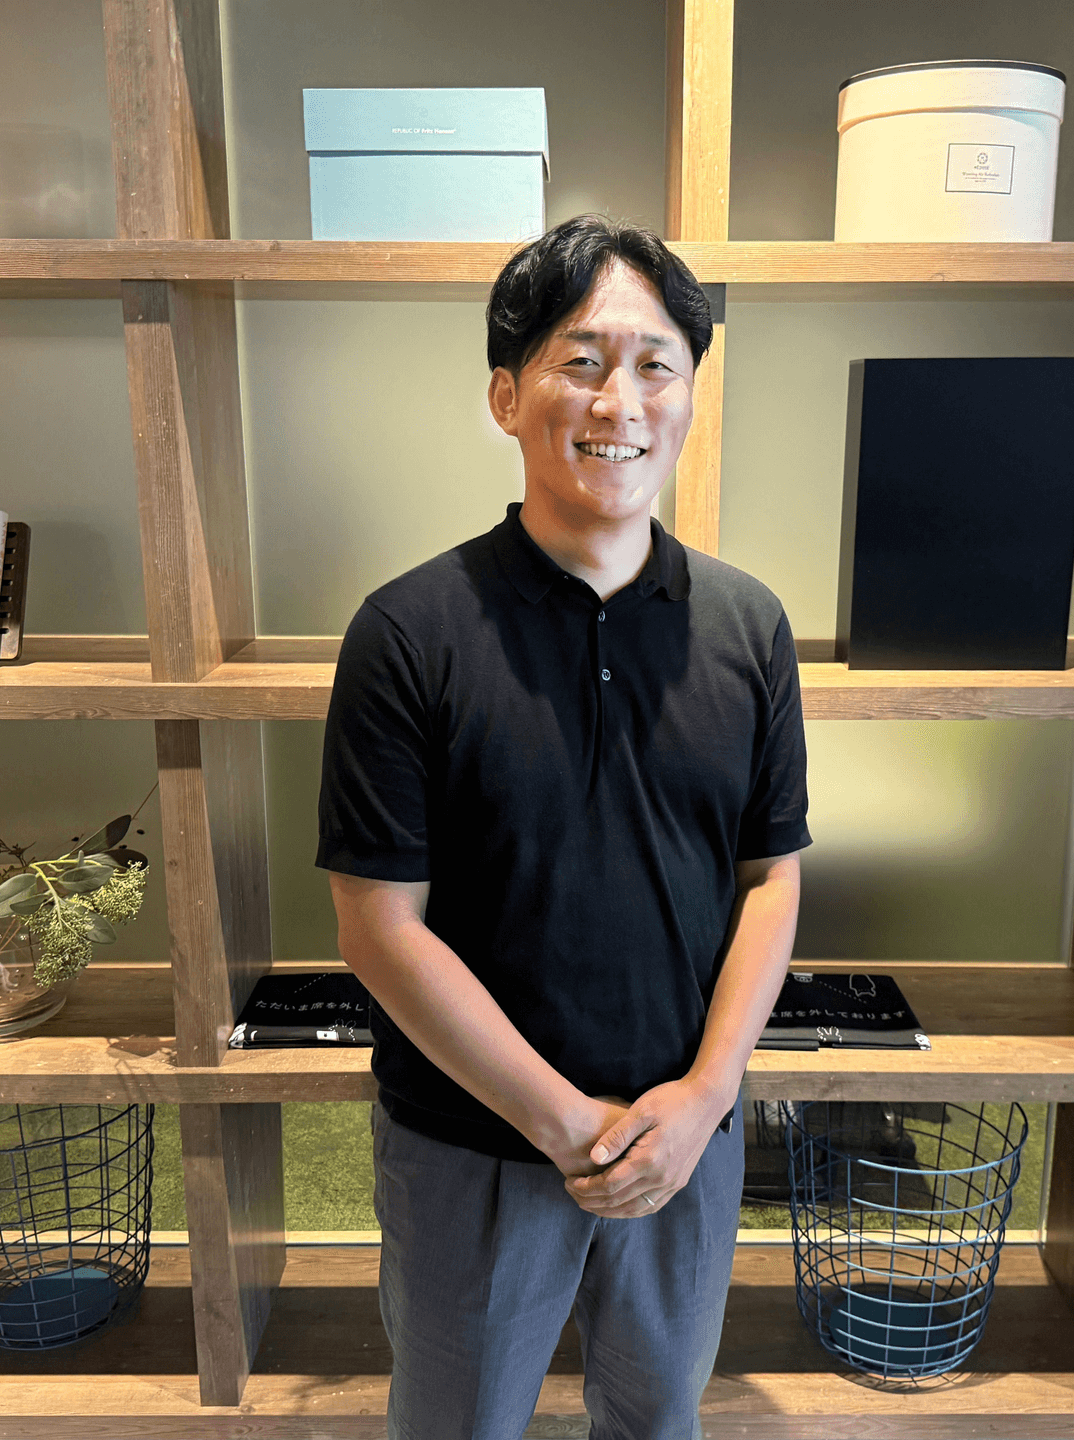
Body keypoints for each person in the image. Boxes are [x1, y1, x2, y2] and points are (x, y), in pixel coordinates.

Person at [317, 214, 810, 1440]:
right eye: (580, 361)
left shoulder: (748, 628)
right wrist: (565, 1125)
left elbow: (771, 880)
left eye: (657, 365)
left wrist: (703, 1098)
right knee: (458, 1422)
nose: (620, 401)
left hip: (685, 1138)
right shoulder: (408, 632)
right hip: (470, 1148)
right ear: (505, 394)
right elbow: (380, 929)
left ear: (691, 395)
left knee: (656, 1419)